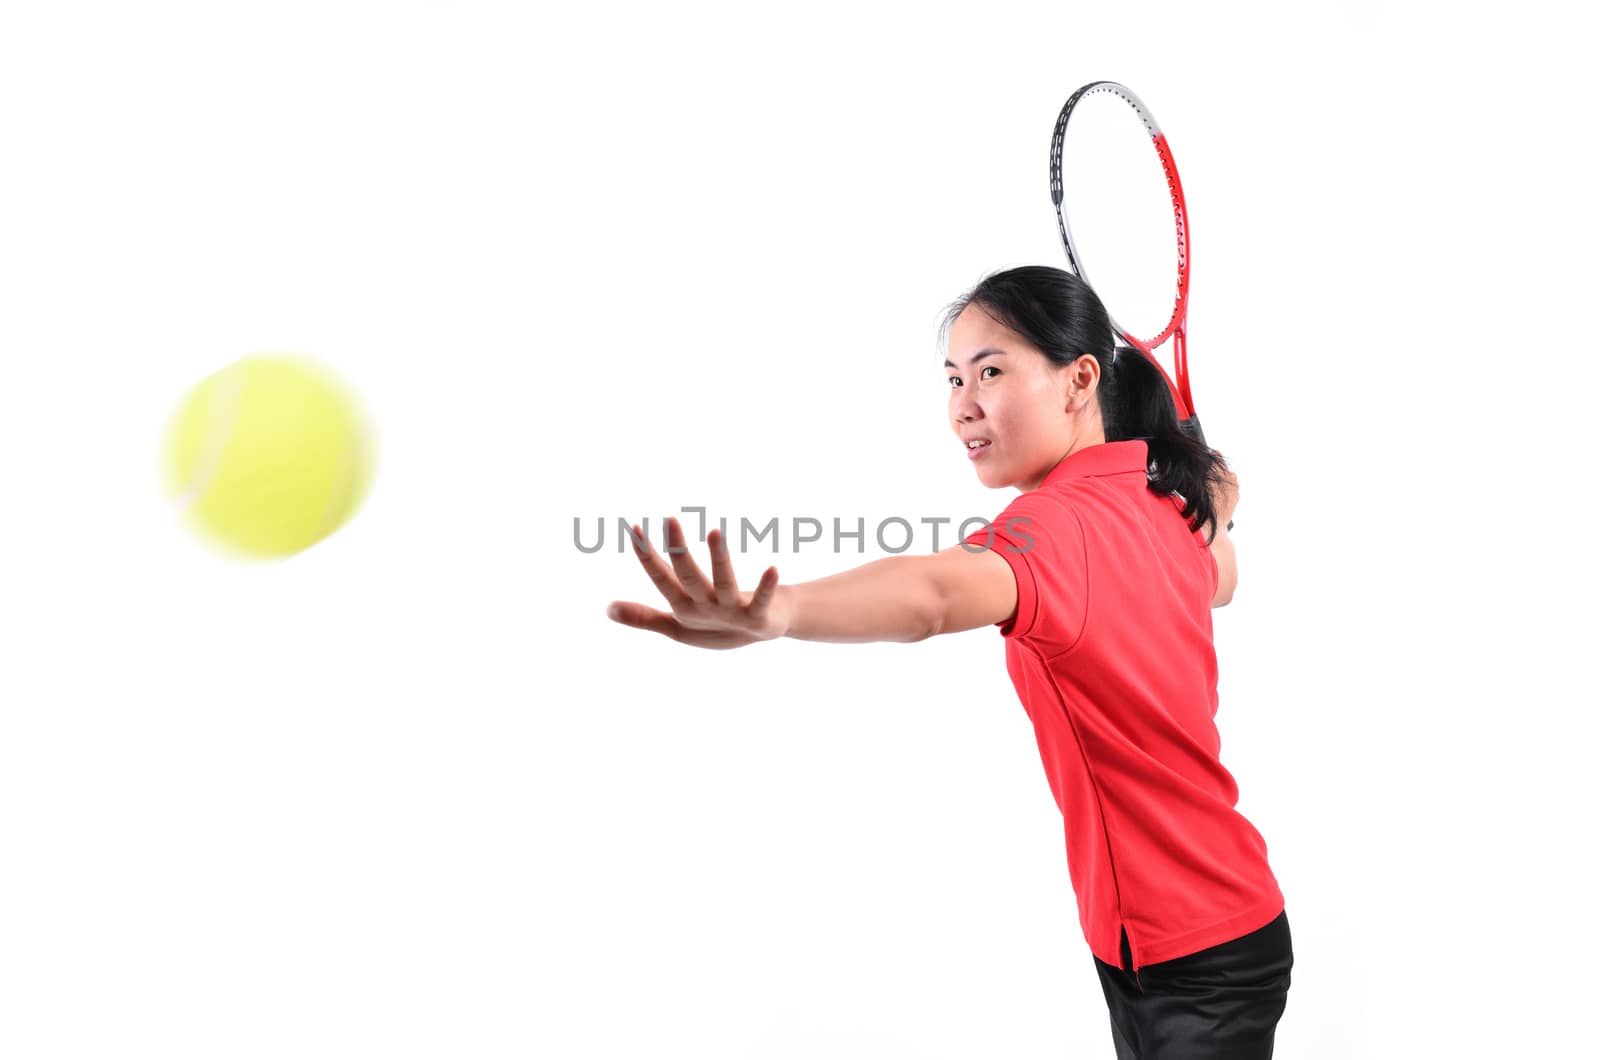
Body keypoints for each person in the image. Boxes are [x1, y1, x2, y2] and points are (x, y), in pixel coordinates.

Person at [605, 265, 1292, 1059]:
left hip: (1190, 950)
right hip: (1208, 926)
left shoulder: (1056, 528)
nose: (963, 405)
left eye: (992, 372)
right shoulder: (1162, 509)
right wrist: (1215, 509)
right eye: (954, 379)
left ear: (1079, 382)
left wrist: (784, 609)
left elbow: (937, 592)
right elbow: (1223, 578)